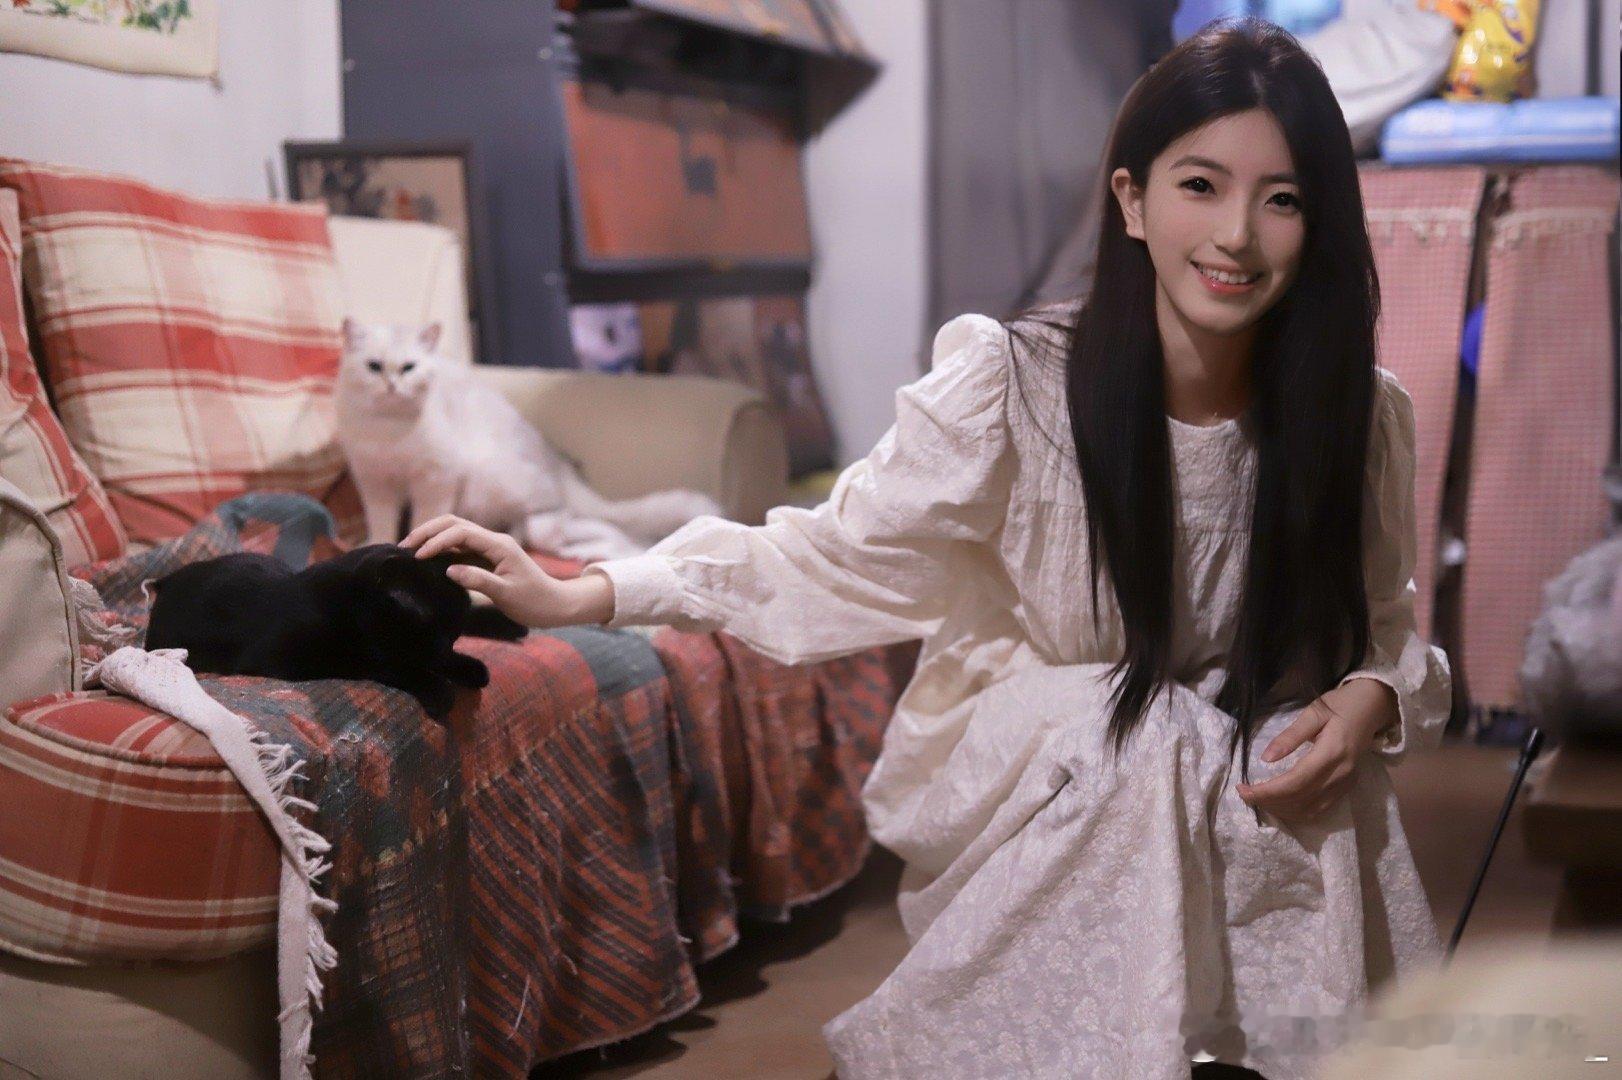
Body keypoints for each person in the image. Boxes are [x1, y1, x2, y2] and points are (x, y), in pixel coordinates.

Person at [403, 18, 1452, 1079]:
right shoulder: (1016, 386)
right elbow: (831, 553)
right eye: (1200, 186)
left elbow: (1386, 628)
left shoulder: (1356, 416)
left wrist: (1365, 701)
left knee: (1297, 763)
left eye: (1282, 200)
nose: (1236, 235)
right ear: (1131, 200)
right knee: (1144, 737)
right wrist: (591, 591)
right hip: (1054, 751)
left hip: (1215, 752)